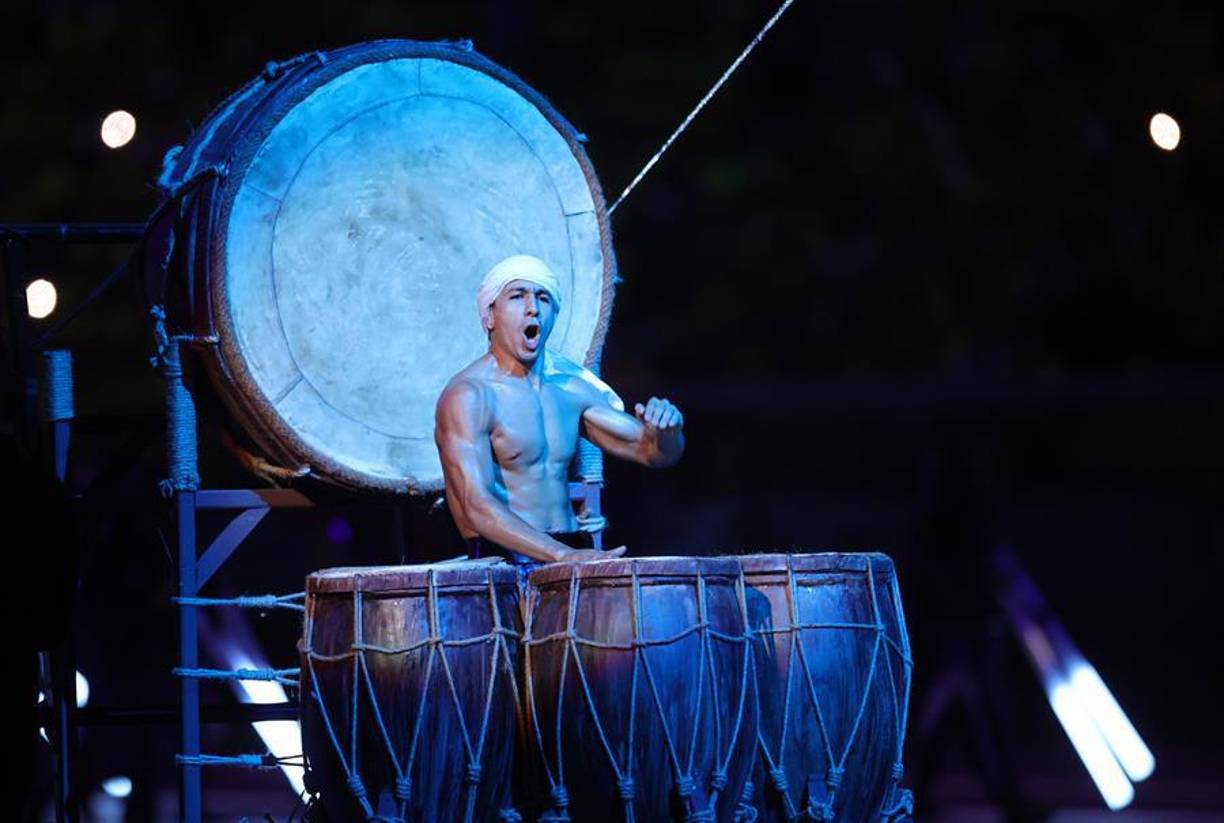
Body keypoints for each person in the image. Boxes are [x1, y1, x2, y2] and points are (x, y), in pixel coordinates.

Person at [435, 254, 684, 566]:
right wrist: (560, 555)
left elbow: (652, 452)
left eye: (543, 298)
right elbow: (476, 504)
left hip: (569, 549)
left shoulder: (571, 390)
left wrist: (667, 432)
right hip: (503, 561)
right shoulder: (469, 396)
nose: (532, 308)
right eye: (517, 296)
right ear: (489, 316)